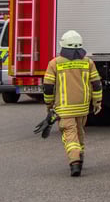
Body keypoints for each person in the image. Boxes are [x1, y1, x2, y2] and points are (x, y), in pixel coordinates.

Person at [42, 30, 102, 177]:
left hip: (64, 109)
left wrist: (49, 105)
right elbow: (96, 84)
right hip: (82, 108)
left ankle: (75, 162)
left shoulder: (55, 63)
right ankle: (80, 157)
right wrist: (97, 102)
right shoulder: (88, 62)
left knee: (70, 136)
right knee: (79, 133)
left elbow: (48, 86)